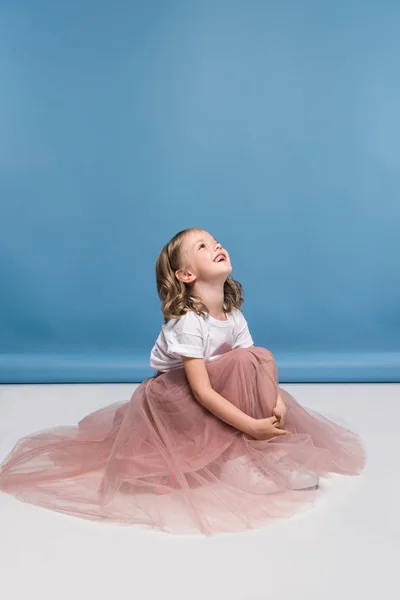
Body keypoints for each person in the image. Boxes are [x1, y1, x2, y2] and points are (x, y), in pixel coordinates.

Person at [0, 228, 366, 535]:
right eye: (202, 247)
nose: (216, 246)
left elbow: (256, 365)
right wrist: (251, 425)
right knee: (244, 362)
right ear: (186, 275)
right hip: (176, 399)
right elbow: (201, 391)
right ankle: (235, 455)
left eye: (215, 241)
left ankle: (262, 449)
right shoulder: (188, 321)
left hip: (215, 388)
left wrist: (276, 403)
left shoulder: (232, 313)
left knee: (257, 357)